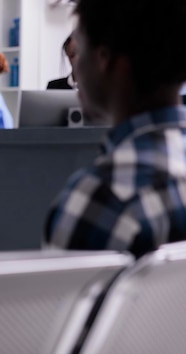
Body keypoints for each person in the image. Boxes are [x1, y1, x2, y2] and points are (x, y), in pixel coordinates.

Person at [44, 0, 186, 258]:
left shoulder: (101, 199)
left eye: (80, 50)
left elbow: (60, 299)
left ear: (104, 60)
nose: (75, 67)